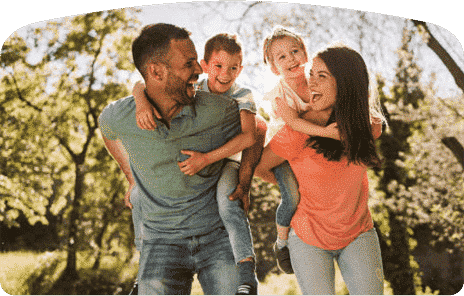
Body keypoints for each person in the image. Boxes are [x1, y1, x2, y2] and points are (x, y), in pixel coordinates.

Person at [99, 23, 260, 295]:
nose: (199, 70)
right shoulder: (121, 116)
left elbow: (259, 131)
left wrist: (243, 181)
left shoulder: (218, 108)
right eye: (189, 63)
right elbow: (107, 130)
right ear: (156, 71)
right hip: (160, 242)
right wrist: (131, 177)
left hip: (216, 237)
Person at [254, 43, 386, 295]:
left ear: (345, 83)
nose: (311, 83)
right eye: (310, 74)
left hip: (358, 232)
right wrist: (296, 189)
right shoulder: (296, 131)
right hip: (308, 238)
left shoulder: (369, 126)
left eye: (321, 76)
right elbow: (260, 167)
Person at [261, 26, 340, 274]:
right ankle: (282, 243)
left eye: (295, 51)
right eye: (281, 57)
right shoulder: (279, 96)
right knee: (292, 197)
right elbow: (294, 123)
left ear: (306, 54)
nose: (291, 59)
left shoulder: (317, 81)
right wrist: (328, 132)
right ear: (274, 67)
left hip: (308, 147)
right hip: (282, 154)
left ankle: (323, 236)